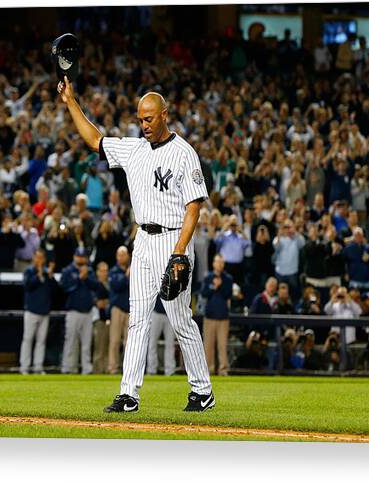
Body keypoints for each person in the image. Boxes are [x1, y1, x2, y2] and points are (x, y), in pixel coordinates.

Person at [58, 78, 214, 412]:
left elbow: (194, 207)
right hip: (142, 240)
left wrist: (179, 251)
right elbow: (95, 141)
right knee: (137, 319)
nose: (143, 124)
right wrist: (71, 101)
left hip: (174, 238)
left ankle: (202, 389)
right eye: (140, 119)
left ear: (165, 115)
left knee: (180, 319)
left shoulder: (184, 154)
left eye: (149, 118)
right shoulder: (133, 149)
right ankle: (129, 393)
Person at [59, 247, 101, 374]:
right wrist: (78, 278)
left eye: (83, 257)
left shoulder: (89, 270)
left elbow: (96, 286)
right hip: (73, 311)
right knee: (71, 341)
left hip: (87, 312)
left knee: (86, 343)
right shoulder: (67, 270)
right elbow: (64, 287)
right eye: (79, 256)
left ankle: (86, 369)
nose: (81, 259)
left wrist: (86, 277)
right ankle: (68, 368)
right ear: (74, 257)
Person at [20, 248, 55, 375]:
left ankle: (38, 366)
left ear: (44, 259)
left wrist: (50, 276)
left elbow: (55, 289)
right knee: (28, 339)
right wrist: (38, 276)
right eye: (37, 257)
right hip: (31, 310)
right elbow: (27, 286)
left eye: (41, 257)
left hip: (44, 311)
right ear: (33, 258)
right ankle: (24, 367)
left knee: (41, 341)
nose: (39, 260)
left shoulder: (47, 273)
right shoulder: (29, 271)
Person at [201, 254, 233, 376]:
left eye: (221, 262)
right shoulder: (208, 277)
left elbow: (228, 294)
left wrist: (220, 286)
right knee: (208, 345)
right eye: (217, 262)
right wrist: (214, 286)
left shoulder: (228, 278)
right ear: (213, 263)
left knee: (222, 345)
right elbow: (204, 293)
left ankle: (223, 369)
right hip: (210, 316)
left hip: (223, 317)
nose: (219, 264)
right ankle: (209, 369)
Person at [107, 246, 131, 374]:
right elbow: (115, 286)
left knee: (128, 343)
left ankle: (127, 369)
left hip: (130, 309)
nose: (121, 257)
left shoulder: (135, 269)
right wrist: (126, 276)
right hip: (117, 309)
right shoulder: (114, 271)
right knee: (115, 341)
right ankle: (113, 368)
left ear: (127, 256)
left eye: (123, 254)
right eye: (119, 255)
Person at [272, 220, 305, 303]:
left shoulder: (297, 239)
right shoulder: (277, 238)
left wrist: (294, 232)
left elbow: (302, 243)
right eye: (285, 227)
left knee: (293, 295)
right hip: (280, 271)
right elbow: (276, 247)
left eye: (289, 227)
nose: (287, 229)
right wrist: (280, 234)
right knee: (280, 294)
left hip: (292, 272)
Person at [146, 297, 176, 376]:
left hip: (171, 313)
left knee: (170, 344)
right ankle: (151, 370)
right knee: (152, 343)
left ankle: (170, 370)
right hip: (156, 311)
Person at [92, 261, 110, 374]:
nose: (104, 273)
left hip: (109, 318)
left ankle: (106, 369)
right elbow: (97, 303)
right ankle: (97, 370)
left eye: (105, 271)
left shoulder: (109, 284)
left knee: (108, 346)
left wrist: (106, 302)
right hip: (99, 319)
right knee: (99, 346)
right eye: (102, 271)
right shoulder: (95, 285)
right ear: (97, 272)